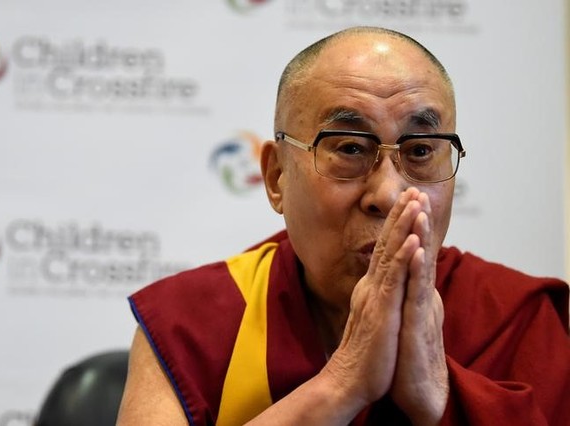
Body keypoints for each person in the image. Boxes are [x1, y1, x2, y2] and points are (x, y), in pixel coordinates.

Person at [117, 26, 570, 425]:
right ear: (276, 178)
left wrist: (438, 394)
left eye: (420, 151)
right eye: (351, 148)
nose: (389, 195)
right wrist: (341, 385)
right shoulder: (194, 321)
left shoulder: (517, 319)